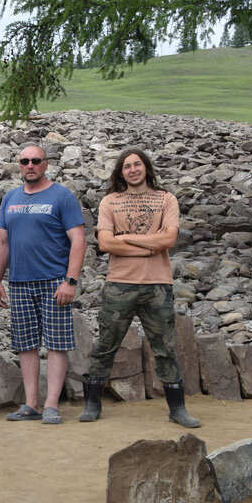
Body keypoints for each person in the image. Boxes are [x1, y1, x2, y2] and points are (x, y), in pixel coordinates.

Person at [79, 149, 200, 428]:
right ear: (120, 172)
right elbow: (106, 244)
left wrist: (127, 240)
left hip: (158, 285)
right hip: (119, 285)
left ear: (146, 167)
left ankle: (177, 408)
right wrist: (148, 244)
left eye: (137, 164)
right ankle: (92, 402)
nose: (133, 170)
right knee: (107, 344)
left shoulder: (165, 199)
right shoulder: (110, 201)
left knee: (165, 347)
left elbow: (169, 239)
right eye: (127, 166)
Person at [0, 145, 87, 425]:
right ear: (19, 166)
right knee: (25, 344)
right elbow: (2, 241)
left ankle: (51, 405)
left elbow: (78, 240)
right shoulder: (10, 198)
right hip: (20, 281)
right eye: (24, 161)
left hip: (54, 281)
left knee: (57, 343)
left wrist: (70, 281)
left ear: (46, 164)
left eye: (35, 160)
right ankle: (31, 404)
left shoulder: (62, 196)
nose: (30, 165)